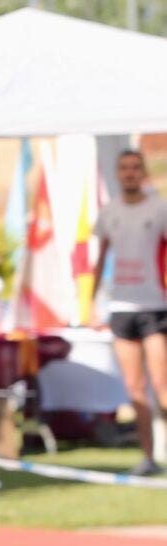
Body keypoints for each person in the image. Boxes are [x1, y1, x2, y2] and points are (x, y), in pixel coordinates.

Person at [91, 149, 167, 476]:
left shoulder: (160, 208)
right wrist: (91, 303)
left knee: (162, 384)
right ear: (118, 173)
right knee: (135, 389)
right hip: (120, 308)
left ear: (143, 171)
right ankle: (148, 457)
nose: (130, 173)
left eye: (136, 167)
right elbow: (99, 260)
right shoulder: (109, 212)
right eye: (124, 168)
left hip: (154, 306)